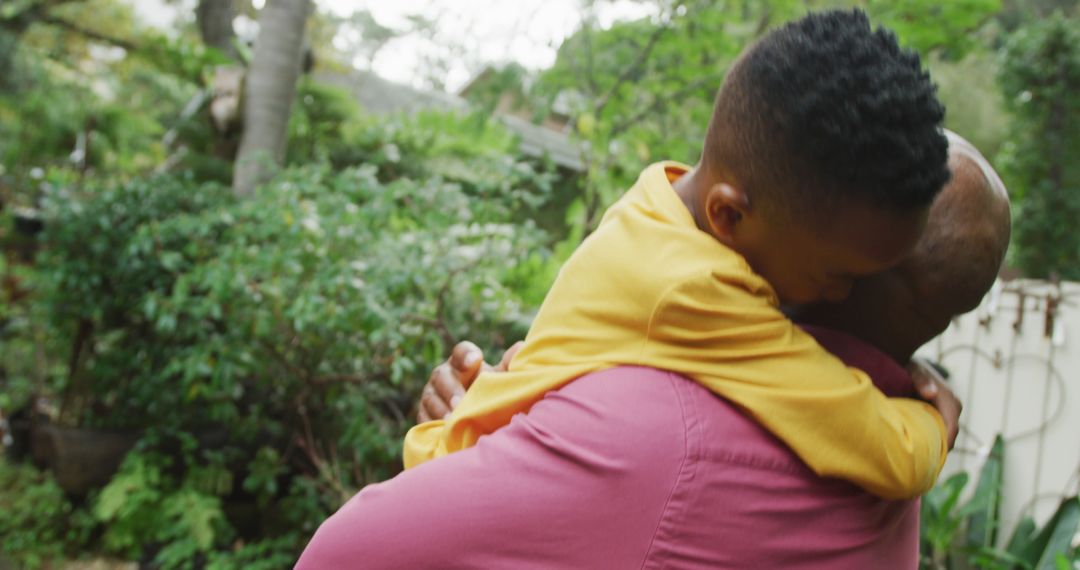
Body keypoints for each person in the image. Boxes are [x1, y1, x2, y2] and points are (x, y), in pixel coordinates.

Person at [294, 131, 1010, 568]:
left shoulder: (660, 434)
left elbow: (347, 552)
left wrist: (490, 431)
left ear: (847, 262)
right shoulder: (882, 444)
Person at [404, 9, 952, 499]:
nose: (847, 295)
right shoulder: (696, 289)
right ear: (730, 216)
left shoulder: (661, 200)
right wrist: (937, 422)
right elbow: (883, 447)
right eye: (837, 275)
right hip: (456, 496)